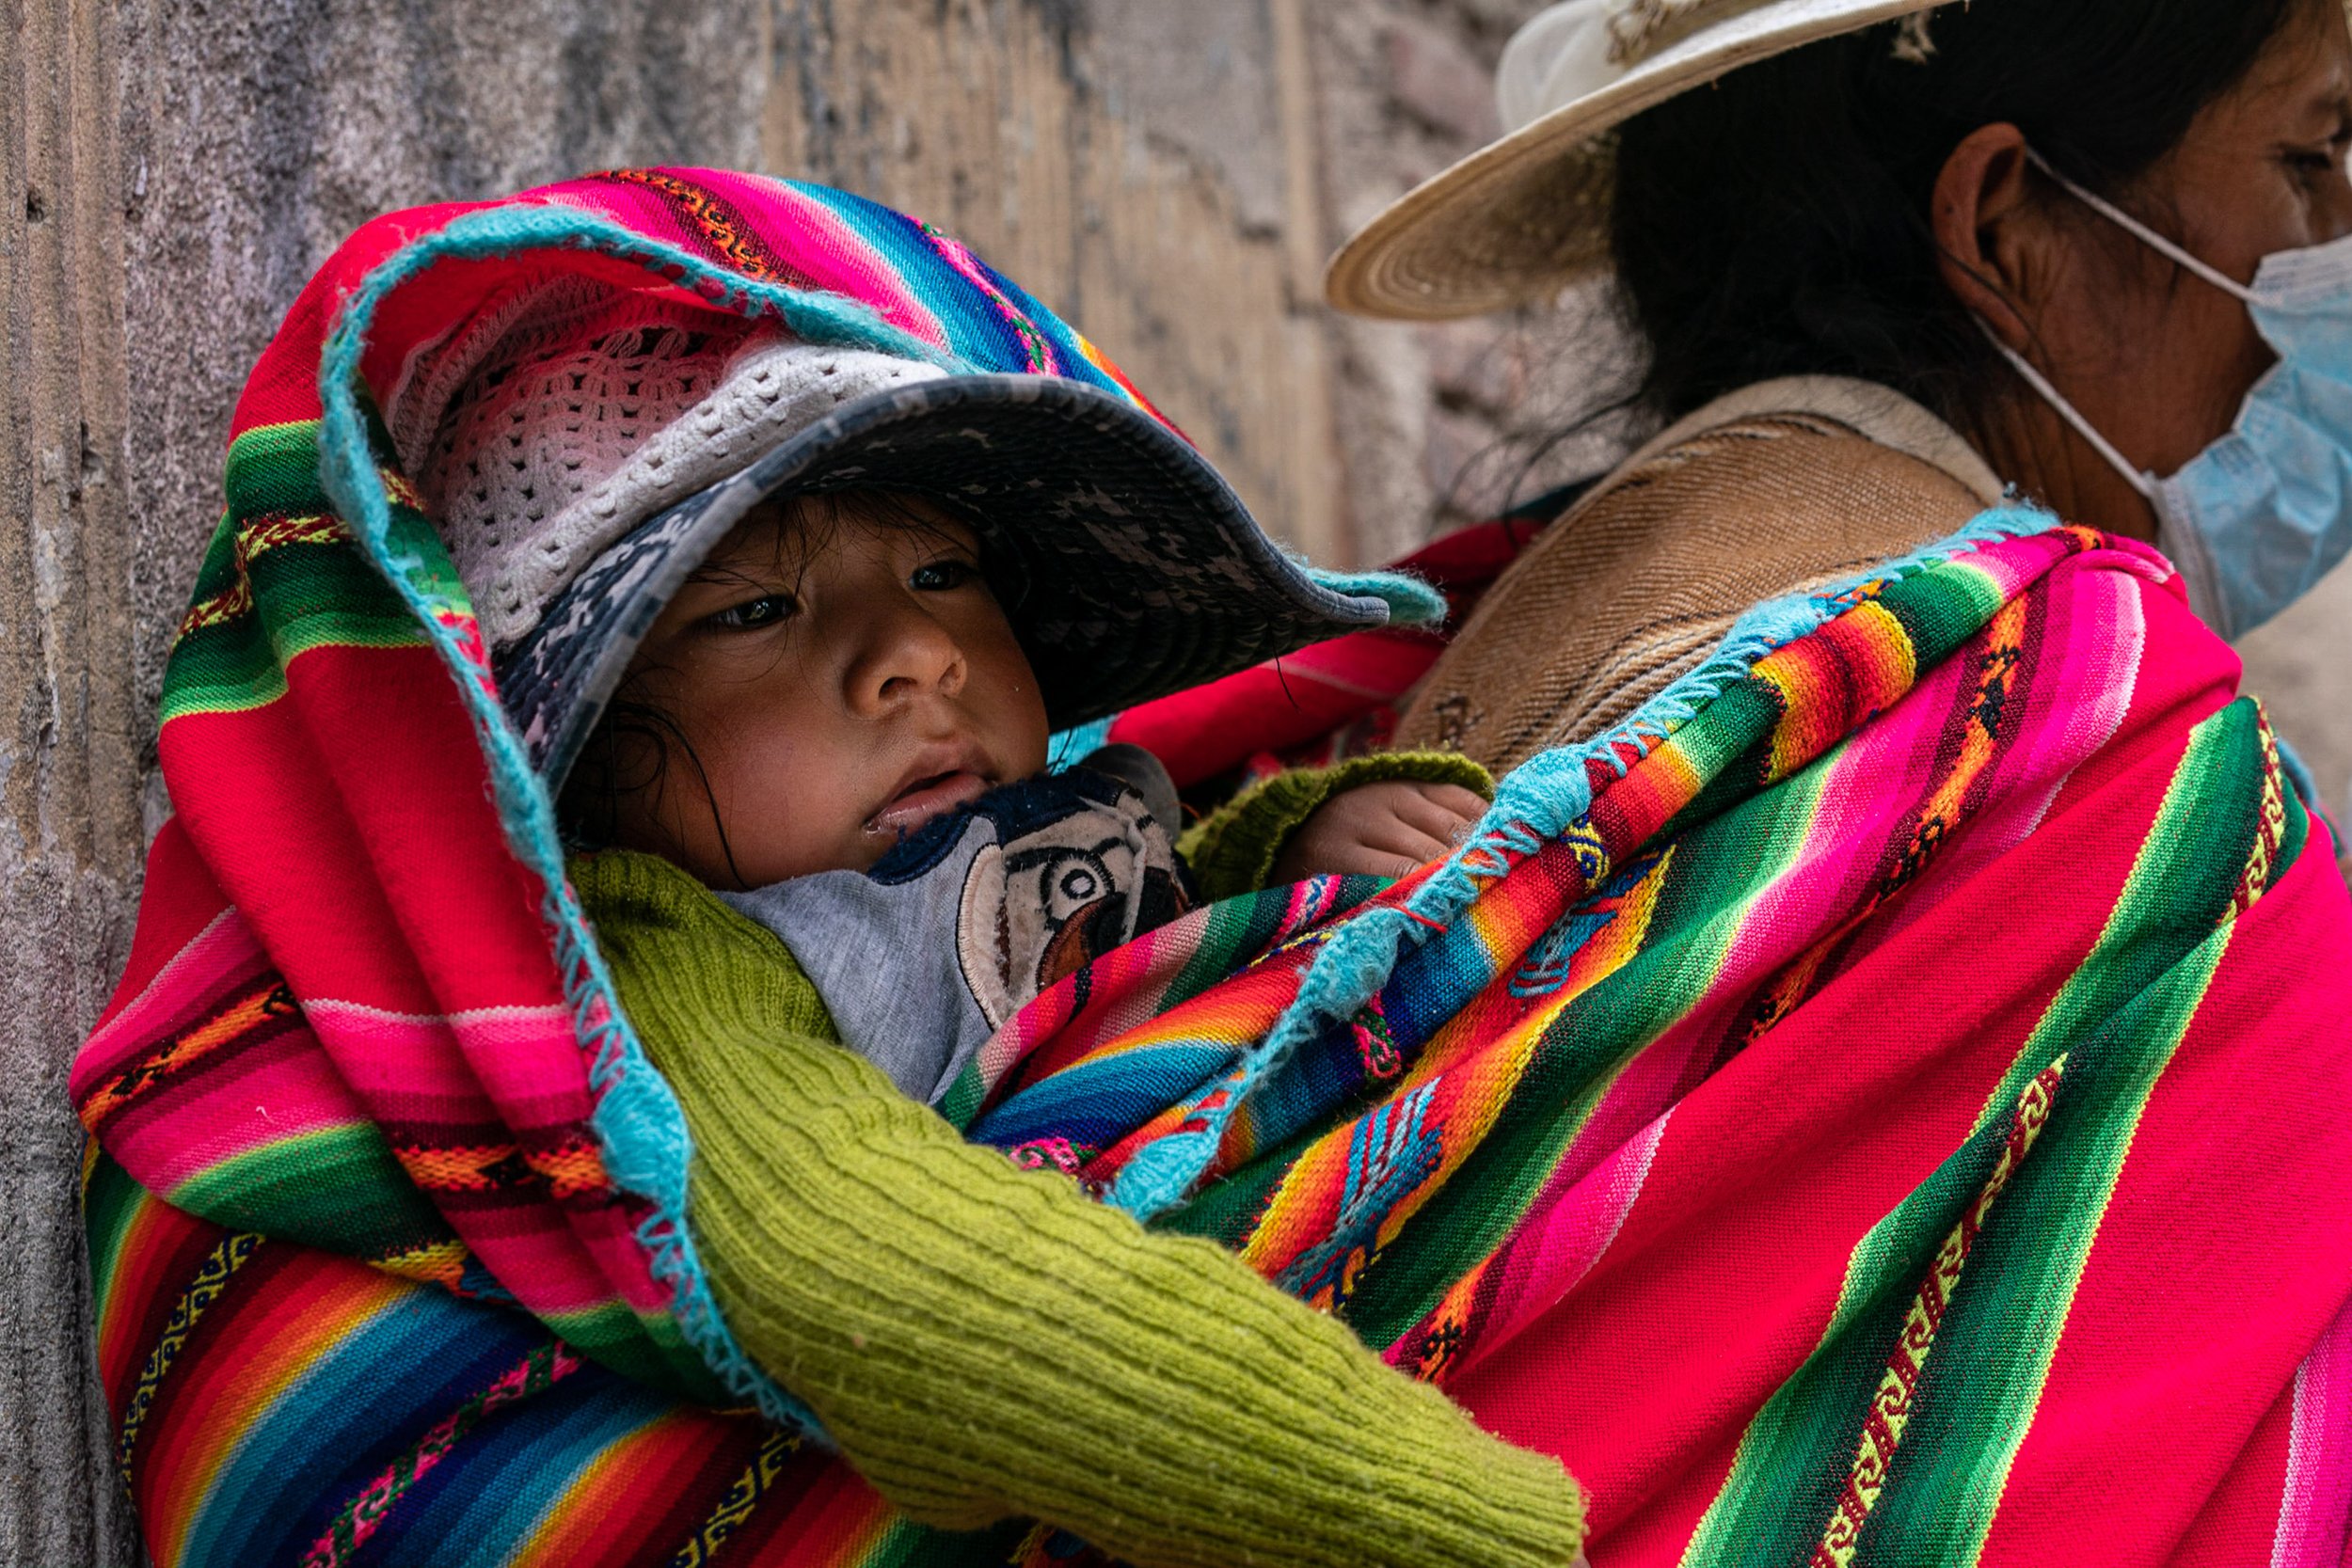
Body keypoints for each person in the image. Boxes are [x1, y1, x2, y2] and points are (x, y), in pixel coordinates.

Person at [1309, 0, 2352, 1558]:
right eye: (2311, 154)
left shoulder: (1508, 600)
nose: (2337, 235)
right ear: (2005, 222)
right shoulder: (2096, 737)